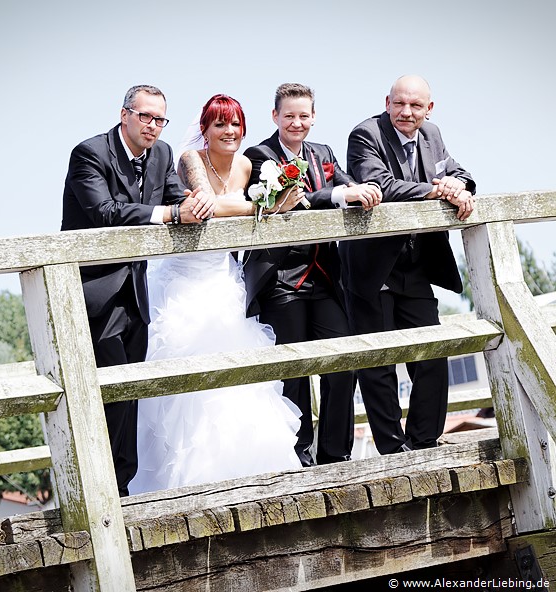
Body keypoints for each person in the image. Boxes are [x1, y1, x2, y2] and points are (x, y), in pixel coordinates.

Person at [129, 94, 305, 493]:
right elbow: (203, 205)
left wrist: (267, 203)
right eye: (220, 125)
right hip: (186, 280)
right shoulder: (190, 160)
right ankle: (189, 481)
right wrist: (264, 205)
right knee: (190, 374)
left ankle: (250, 472)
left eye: (236, 125)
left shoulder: (246, 165)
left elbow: (228, 206)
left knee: (240, 377)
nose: (230, 132)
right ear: (204, 130)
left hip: (225, 280)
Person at [61, 84, 215, 496]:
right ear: (124, 113)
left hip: (135, 291)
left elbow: (170, 195)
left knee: (130, 393)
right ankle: (100, 489)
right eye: (145, 116)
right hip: (94, 293)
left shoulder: (162, 153)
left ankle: (123, 486)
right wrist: (170, 212)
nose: (153, 126)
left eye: (160, 119)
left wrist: (191, 204)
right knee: (105, 396)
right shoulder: (89, 154)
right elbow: (104, 212)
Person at [243, 83, 382, 467]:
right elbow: (293, 201)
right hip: (281, 280)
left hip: (323, 278)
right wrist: (340, 196)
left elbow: (343, 183)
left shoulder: (323, 153)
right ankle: (299, 455)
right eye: (289, 115)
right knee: (294, 372)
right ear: (275, 116)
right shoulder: (259, 156)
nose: (297, 122)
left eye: (304, 115)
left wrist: (360, 189)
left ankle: (334, 454)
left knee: (343, 359)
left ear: (314, 116)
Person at [339, 74, 476, 455]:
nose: (406, 112)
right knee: (378, 362)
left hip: (417, 264)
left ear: (428, 109)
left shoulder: (432, 134)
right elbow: (379, 184)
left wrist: (458, 187)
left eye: (416, 106)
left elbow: (459, 172)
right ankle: (392, 449)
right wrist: (436, 190)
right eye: (400, 103)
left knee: (432, 351)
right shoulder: (365, 134)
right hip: (372, 266)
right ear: (387, 102)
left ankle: (424, 441)